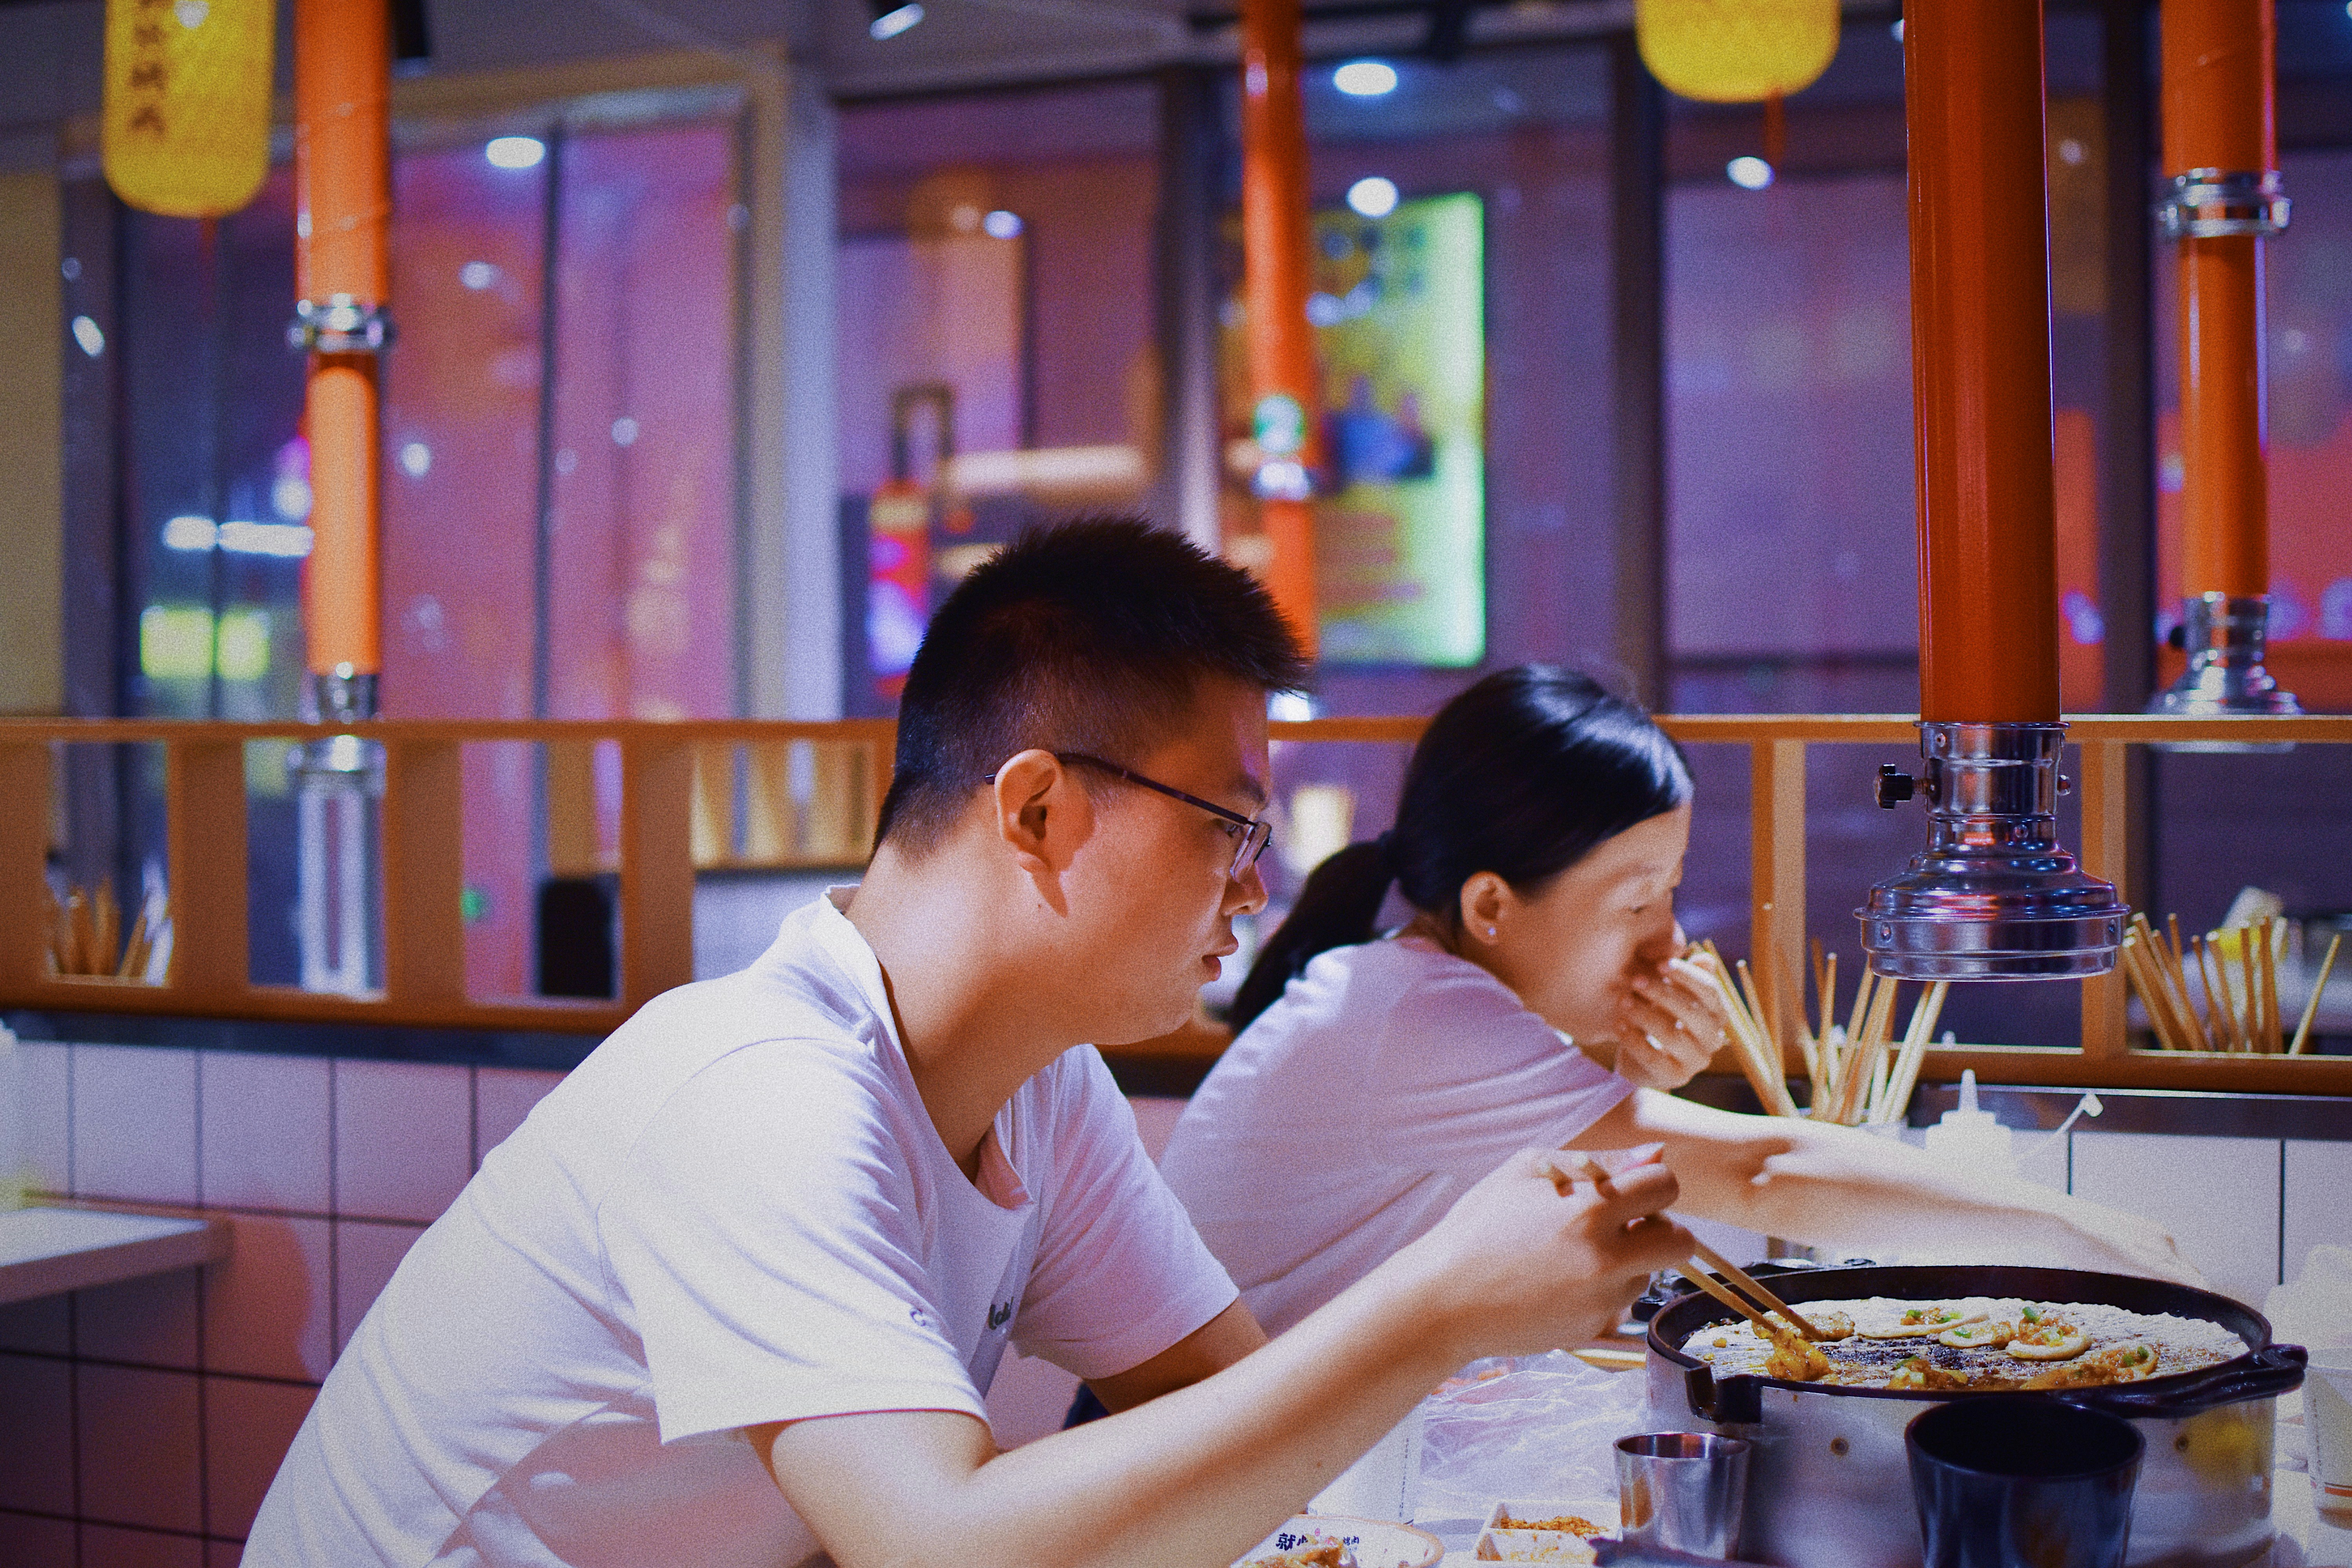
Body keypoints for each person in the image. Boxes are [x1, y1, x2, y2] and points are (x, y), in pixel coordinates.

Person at [244, 523, 1693, 1568]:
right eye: (1231, 827)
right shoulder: (762, 1093)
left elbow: (1224, 1419)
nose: (1255, 888)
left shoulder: (1044, 1084)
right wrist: (1436, 1305)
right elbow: (942, 1550)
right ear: (1039, 810)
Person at [1159, 664, 2194, 1338]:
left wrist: (1628, 1080)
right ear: (1491, 906)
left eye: (1672, 892)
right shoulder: (1418, 1018)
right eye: (1637, 901)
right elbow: (1764, 1169)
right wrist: (2089, 1234)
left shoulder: (1409, 994)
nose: (1671, 939)